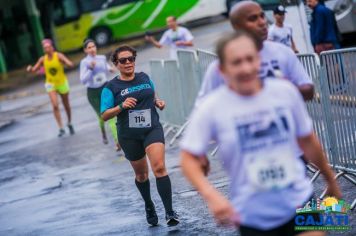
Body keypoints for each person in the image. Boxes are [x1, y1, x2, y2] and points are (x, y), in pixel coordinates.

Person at [181, 31, 342, 236]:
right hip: (252, 217)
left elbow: (307, 139)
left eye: (250, 59)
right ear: (222, 69)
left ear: (259, 60)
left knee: (328, 227)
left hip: (300, 198)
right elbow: (187, 158)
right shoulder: (212, 107)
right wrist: (212, 196)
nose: (246, 68)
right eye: (237, 62)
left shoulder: (285, 92)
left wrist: (331, 180)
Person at [100, 45, 179, 226]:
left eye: (131, 59)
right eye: (123, 60)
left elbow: (152, 95)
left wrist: (158, 102)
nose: (128, 63)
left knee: (159, 168)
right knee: (142, 175)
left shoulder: (144, 78)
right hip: (129, 135)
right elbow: (104, 115)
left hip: (152, 129)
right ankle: (149, 204)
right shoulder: (110, 88)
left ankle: (170, 212)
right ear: (116, 64)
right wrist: (121, 106)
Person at [195, 1, 314, 106]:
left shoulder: (283, 52)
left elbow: (308, 90)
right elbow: (203, 106)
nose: (262, 22)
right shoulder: (220, 67)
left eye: (262, 16)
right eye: (253, 19)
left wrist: (279, 90)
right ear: (236, 26)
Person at [27, 39, 75, 137]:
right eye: (45, 48)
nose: (46, 49)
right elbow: (34, 69)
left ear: (52, 47)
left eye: (48, 47)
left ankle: (69, 122)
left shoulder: (59, 56)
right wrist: (30, 69)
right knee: (55, 105)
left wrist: (69, 64)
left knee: (66, 105)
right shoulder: (42, 59)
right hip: (50, 84)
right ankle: (61, 128)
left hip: (62, 83)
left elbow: (69, 63)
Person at [79, 39, 121, 150]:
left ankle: (118, 141)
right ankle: (103, 133)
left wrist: (111, 69)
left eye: (93, 46)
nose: (92, 49)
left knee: (111, 114)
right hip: (92, 92)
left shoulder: (101, 58)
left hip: (104, 88)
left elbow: (106, 68)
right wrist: (90, 69)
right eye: (89, 47)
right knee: (102, 117)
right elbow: (83, 80)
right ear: (85, 50)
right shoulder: (84, 62)